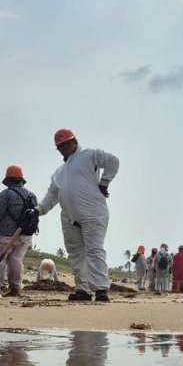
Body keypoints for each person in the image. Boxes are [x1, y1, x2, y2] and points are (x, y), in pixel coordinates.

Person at [37, 129, 120, 302]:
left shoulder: (89, 155)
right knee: (76, 254)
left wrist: (104, 183)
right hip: (69, 217)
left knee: (94, 250)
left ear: (74, 141)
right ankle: (82, 289)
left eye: (66, 144)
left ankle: (100, 290)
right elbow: (51, 196)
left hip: (93, 212)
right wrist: (38, 210)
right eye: (60, 146)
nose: (63, 148)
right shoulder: (58, 173)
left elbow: (113, 161)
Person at [0, 165, 37, 297]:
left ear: (8, 181)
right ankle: (15, 288)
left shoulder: (5, 195)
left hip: (4, 234)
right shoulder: (32, 195)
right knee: (16, 259)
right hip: (25, 235)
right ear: (21, 180)